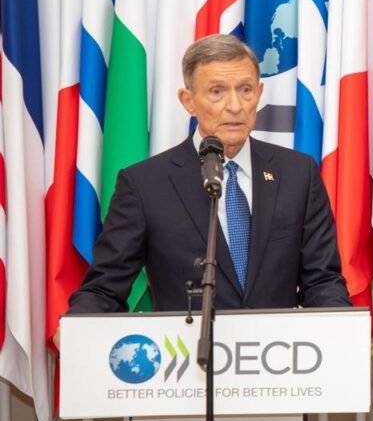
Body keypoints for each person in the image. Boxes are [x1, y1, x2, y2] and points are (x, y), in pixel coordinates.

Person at [63, 34, 350, 325]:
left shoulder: (298, 174)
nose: (235, 105)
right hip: (185, 348)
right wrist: (76, 327)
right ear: (188, 101)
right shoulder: (145, 185)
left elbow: (323, 282)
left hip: (277, 350)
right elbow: (105, 288)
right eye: (216, 91)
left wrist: (346, 332)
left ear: (259, 93)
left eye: (245, 90)